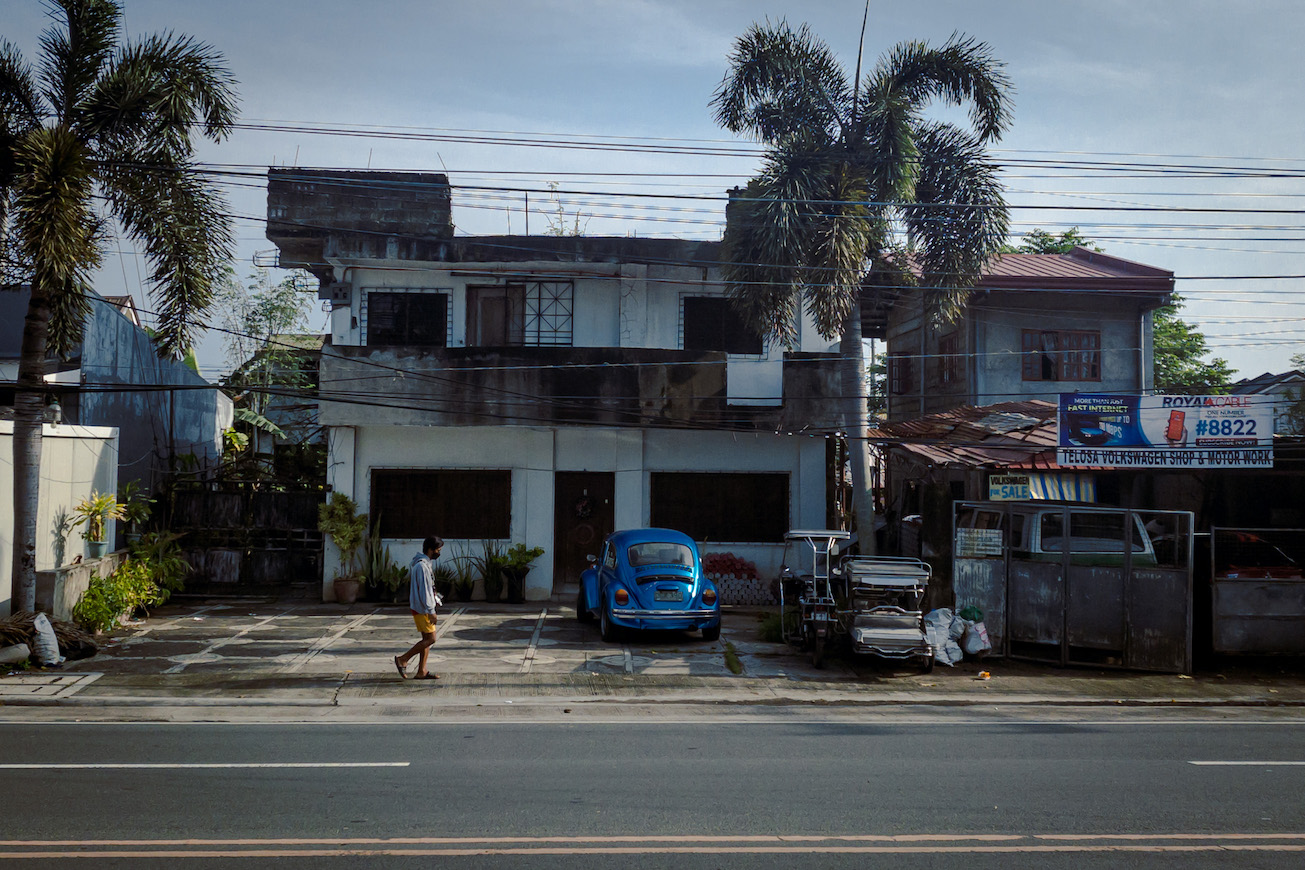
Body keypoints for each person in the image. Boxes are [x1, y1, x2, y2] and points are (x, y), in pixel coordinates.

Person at [395, 535, 443, 680]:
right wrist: (431, 611)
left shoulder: (423, 564)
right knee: (431, 639)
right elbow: (425, 591)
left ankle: (422, 671)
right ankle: (403, 659)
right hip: (422, 609)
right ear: (430, 550)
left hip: (422, 607)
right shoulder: (422, 566)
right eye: (438, 550)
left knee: (426, 639)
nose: (439, 553)